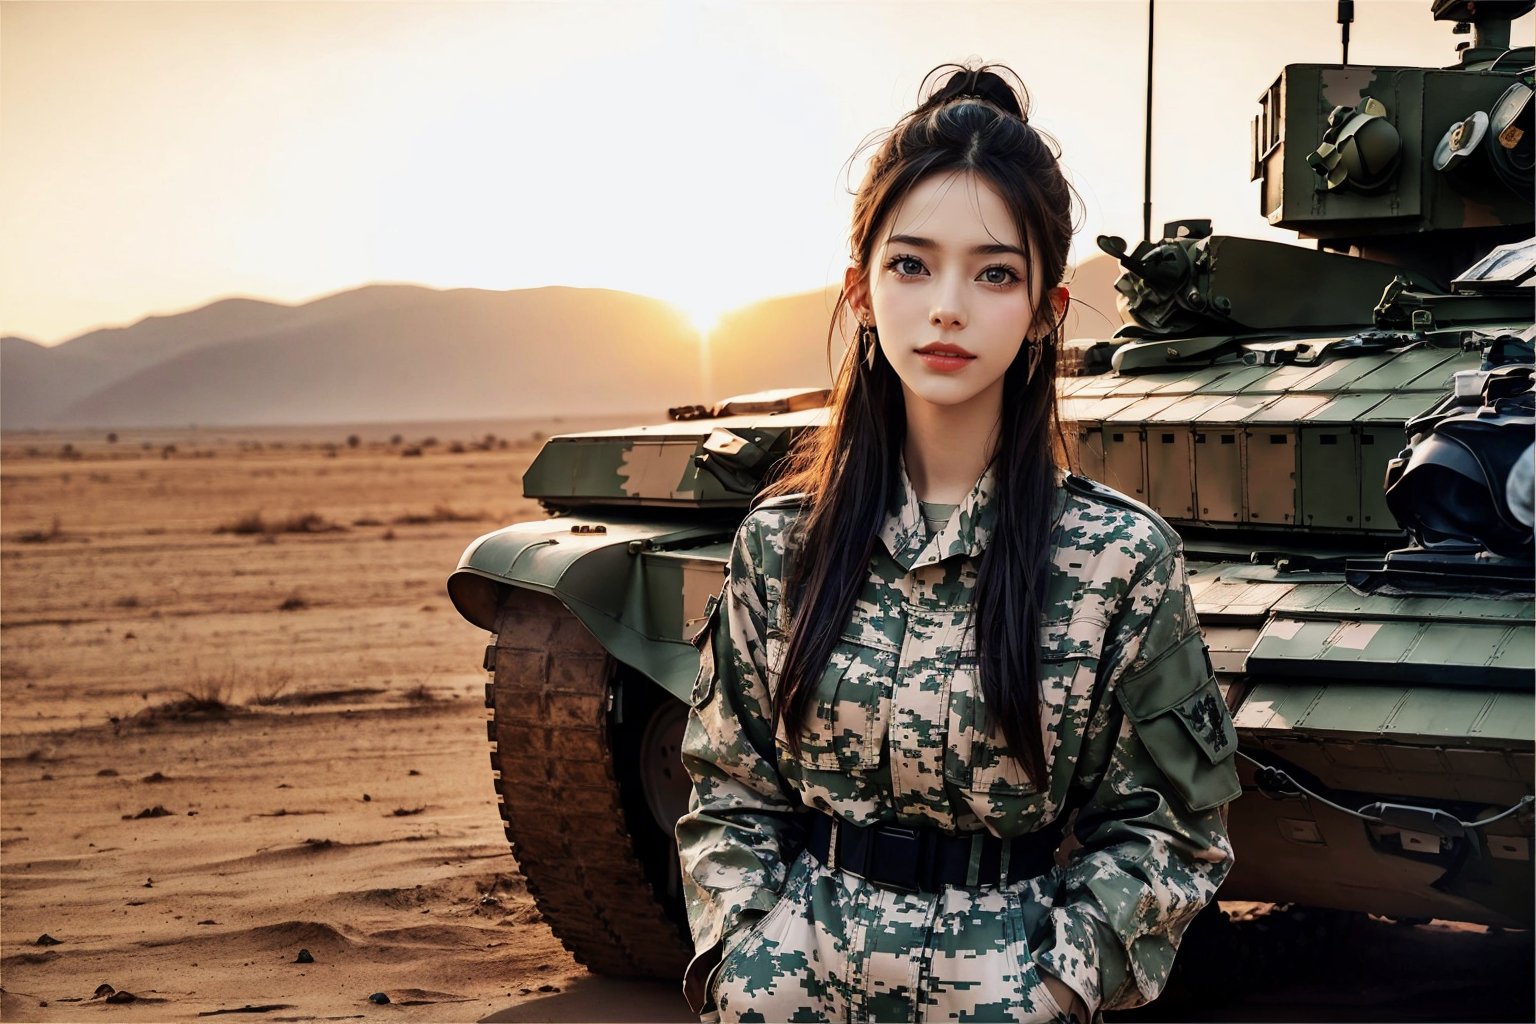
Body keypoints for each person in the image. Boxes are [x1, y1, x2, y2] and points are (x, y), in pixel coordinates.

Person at [676, 64, 1241, 1023]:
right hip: (789, 991)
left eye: (994, 273)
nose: (947, 306)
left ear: (1043, 314)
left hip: (1001, 988)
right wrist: (743, 952)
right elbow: (727, 785)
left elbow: (1174, 826)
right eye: (911, 264)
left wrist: (1057, 986)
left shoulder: (1117, 560)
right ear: (859, 292)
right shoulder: (782, 544)